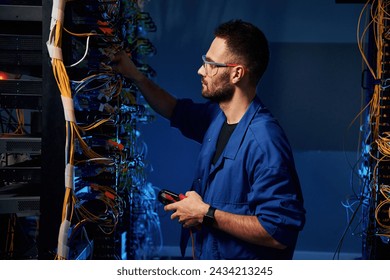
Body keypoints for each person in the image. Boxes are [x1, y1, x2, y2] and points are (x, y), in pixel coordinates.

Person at [112, 19, 305, 260]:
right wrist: (136, 77)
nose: (201, 70)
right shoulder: (217, 118)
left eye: (211, 64)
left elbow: (279, 232)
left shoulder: (264, 142)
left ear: (236, 73)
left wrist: (206, 214)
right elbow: (174, 109)